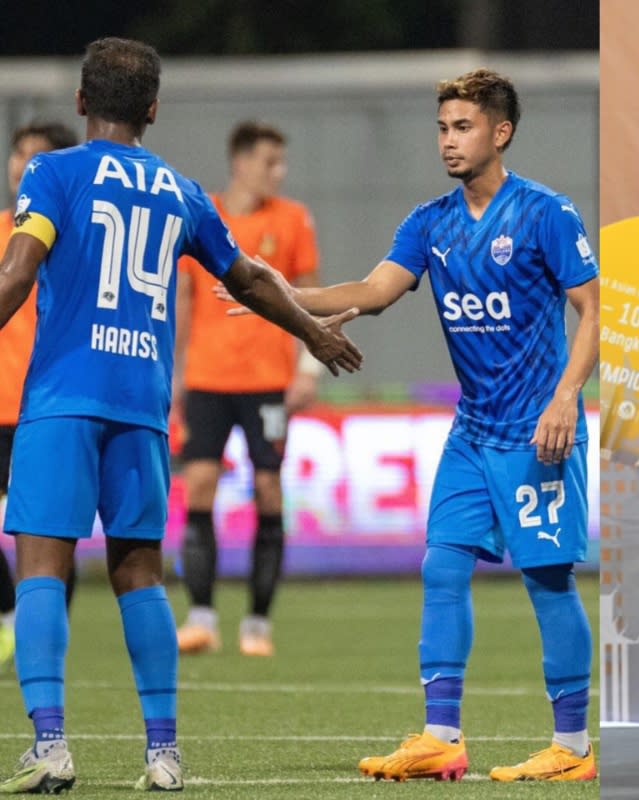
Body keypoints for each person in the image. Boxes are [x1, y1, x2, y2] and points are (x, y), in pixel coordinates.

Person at [0, 37, 361, 793]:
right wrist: (313, 332)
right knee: (140, 573)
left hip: (64, 398)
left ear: (79, 101)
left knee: (41, 566)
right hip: (141, 405)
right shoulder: (181, 190)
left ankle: (51, 744)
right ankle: (163, 755)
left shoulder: (53, 172)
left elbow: (18, 271)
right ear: (154, 109)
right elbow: (251, 280)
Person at [224, 68, 599, 783]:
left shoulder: (546, 213)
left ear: (500, 132)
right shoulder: (430, 222)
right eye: (441, 128)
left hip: (536, 430)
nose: (448, 141)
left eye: (462, 127)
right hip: (472, 429)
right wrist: (280, 291)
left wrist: (565, 397)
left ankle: (574, 747)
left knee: (548, 580)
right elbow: (371, 291)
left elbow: (594, 311)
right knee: (441, 565)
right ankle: (441, 737)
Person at [173, 120, 321, 658]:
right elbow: (186, 301)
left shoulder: (292, 220)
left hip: (267, 383)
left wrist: (309, 368)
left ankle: (257, 624)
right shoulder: (203, 215)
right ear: (240, 162)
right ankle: (202, 618)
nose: (277, 173)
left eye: (280, 163)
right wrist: (174, 375)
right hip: (207, 379)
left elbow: (309, 296)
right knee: (201, 487)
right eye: (269, 162)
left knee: (267, 490)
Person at [0, 122, 81, 673]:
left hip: (43, 403)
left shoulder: (73, 238)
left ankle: (53, 636)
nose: (24, 166)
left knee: (52, 533)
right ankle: (11, 616)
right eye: (18, 154)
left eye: (37, 157)